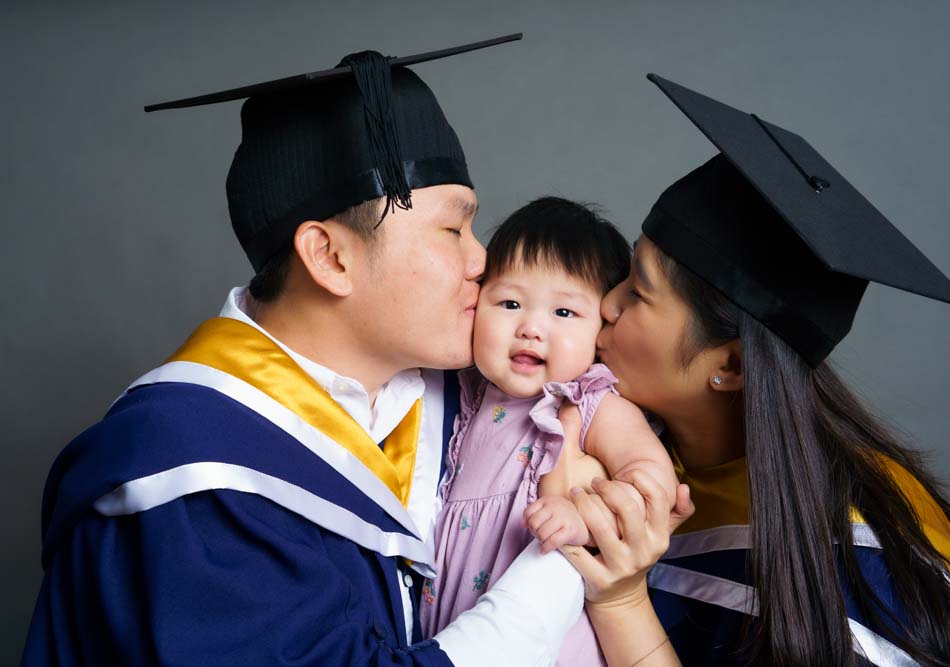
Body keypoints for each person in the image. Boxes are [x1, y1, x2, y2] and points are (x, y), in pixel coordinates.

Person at [21, 35, 669, 666]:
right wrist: (568, 558)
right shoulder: (187, 476)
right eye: (452, 228)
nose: (482, 260)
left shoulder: (462, 397)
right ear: (330, 256)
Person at [565, 74, 950, 666]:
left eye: (638, 293)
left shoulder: (867, 563)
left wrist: (621, 602)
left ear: (733, 364)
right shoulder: (623, 451)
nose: (606, 305)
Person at [418, 197, 686, 666]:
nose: (531, 328)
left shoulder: (590, 401)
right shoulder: (468, 394)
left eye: (563, 313)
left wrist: (588, 518)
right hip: (458, 625)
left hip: (555, 637)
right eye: (509, 302)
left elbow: (652, 476)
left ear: (601, 331)